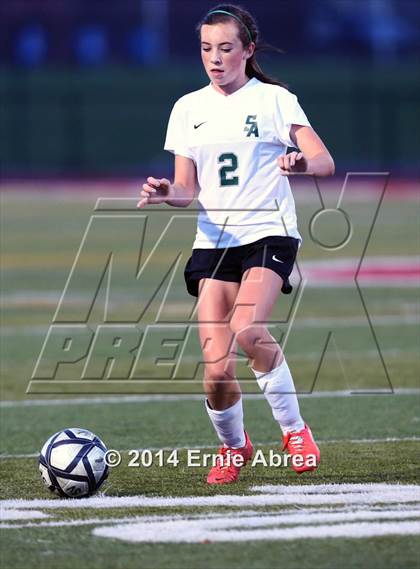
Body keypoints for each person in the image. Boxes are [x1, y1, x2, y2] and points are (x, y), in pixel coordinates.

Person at [137, 4, 335, 484]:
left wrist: (300, 165)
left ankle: (294, 430)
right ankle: (235, 447)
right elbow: (188, 191)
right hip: (214, 242)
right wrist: (168, 193)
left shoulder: (274, 100)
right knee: (216, 370)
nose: (215, 57)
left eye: (226, 48)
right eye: (207, 48)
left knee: (249, 328)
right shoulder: (188, 108)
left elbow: (324, 162)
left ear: (247, 50)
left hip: (269, 232)